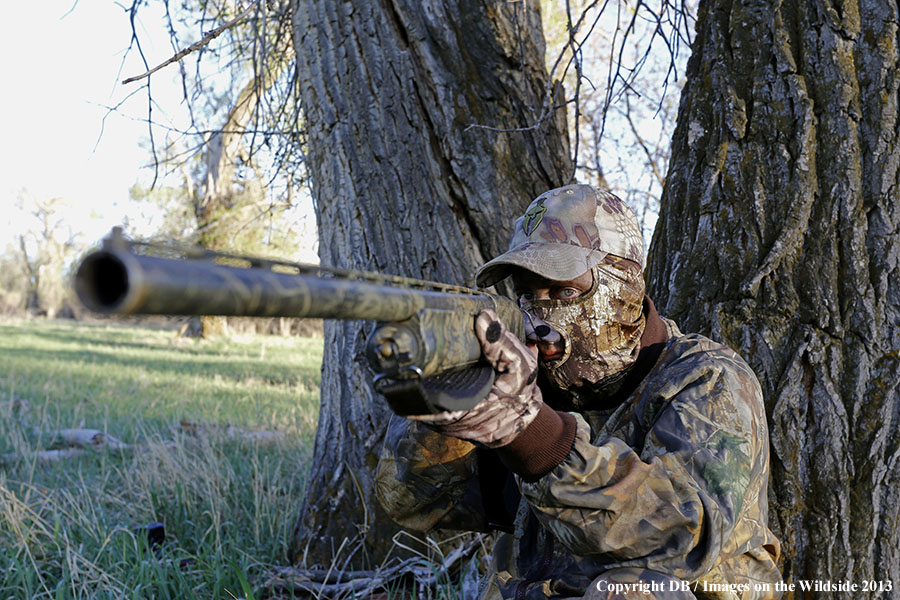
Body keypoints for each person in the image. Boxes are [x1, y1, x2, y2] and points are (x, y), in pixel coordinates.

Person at [375, 184, 782, 599]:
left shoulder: (707, 378)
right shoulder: (530, 380)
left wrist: (533, 435)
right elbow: (413, 500)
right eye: (528, 296)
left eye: (565, 291)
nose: (540, 313)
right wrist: (448, 394)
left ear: (624, 284)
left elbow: (681, 537)